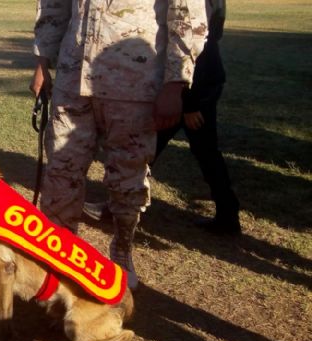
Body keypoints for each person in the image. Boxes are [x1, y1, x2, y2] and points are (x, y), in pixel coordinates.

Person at [29, 0, 207, 289]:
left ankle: (122, 250)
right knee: (61, 172)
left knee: (127, 177)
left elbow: (185, 14)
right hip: (73, 79)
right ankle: (59, 256)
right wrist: (42, 60)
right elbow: (54, 5)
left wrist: (176, 82)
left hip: (134, 83)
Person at [83, 0, 239, 236]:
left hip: (195, 88)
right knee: (194, 152)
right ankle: (228, 215)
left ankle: (118, 207)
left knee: (154, 148)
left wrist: (190, 104)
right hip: (195, 86)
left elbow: (197, 42)